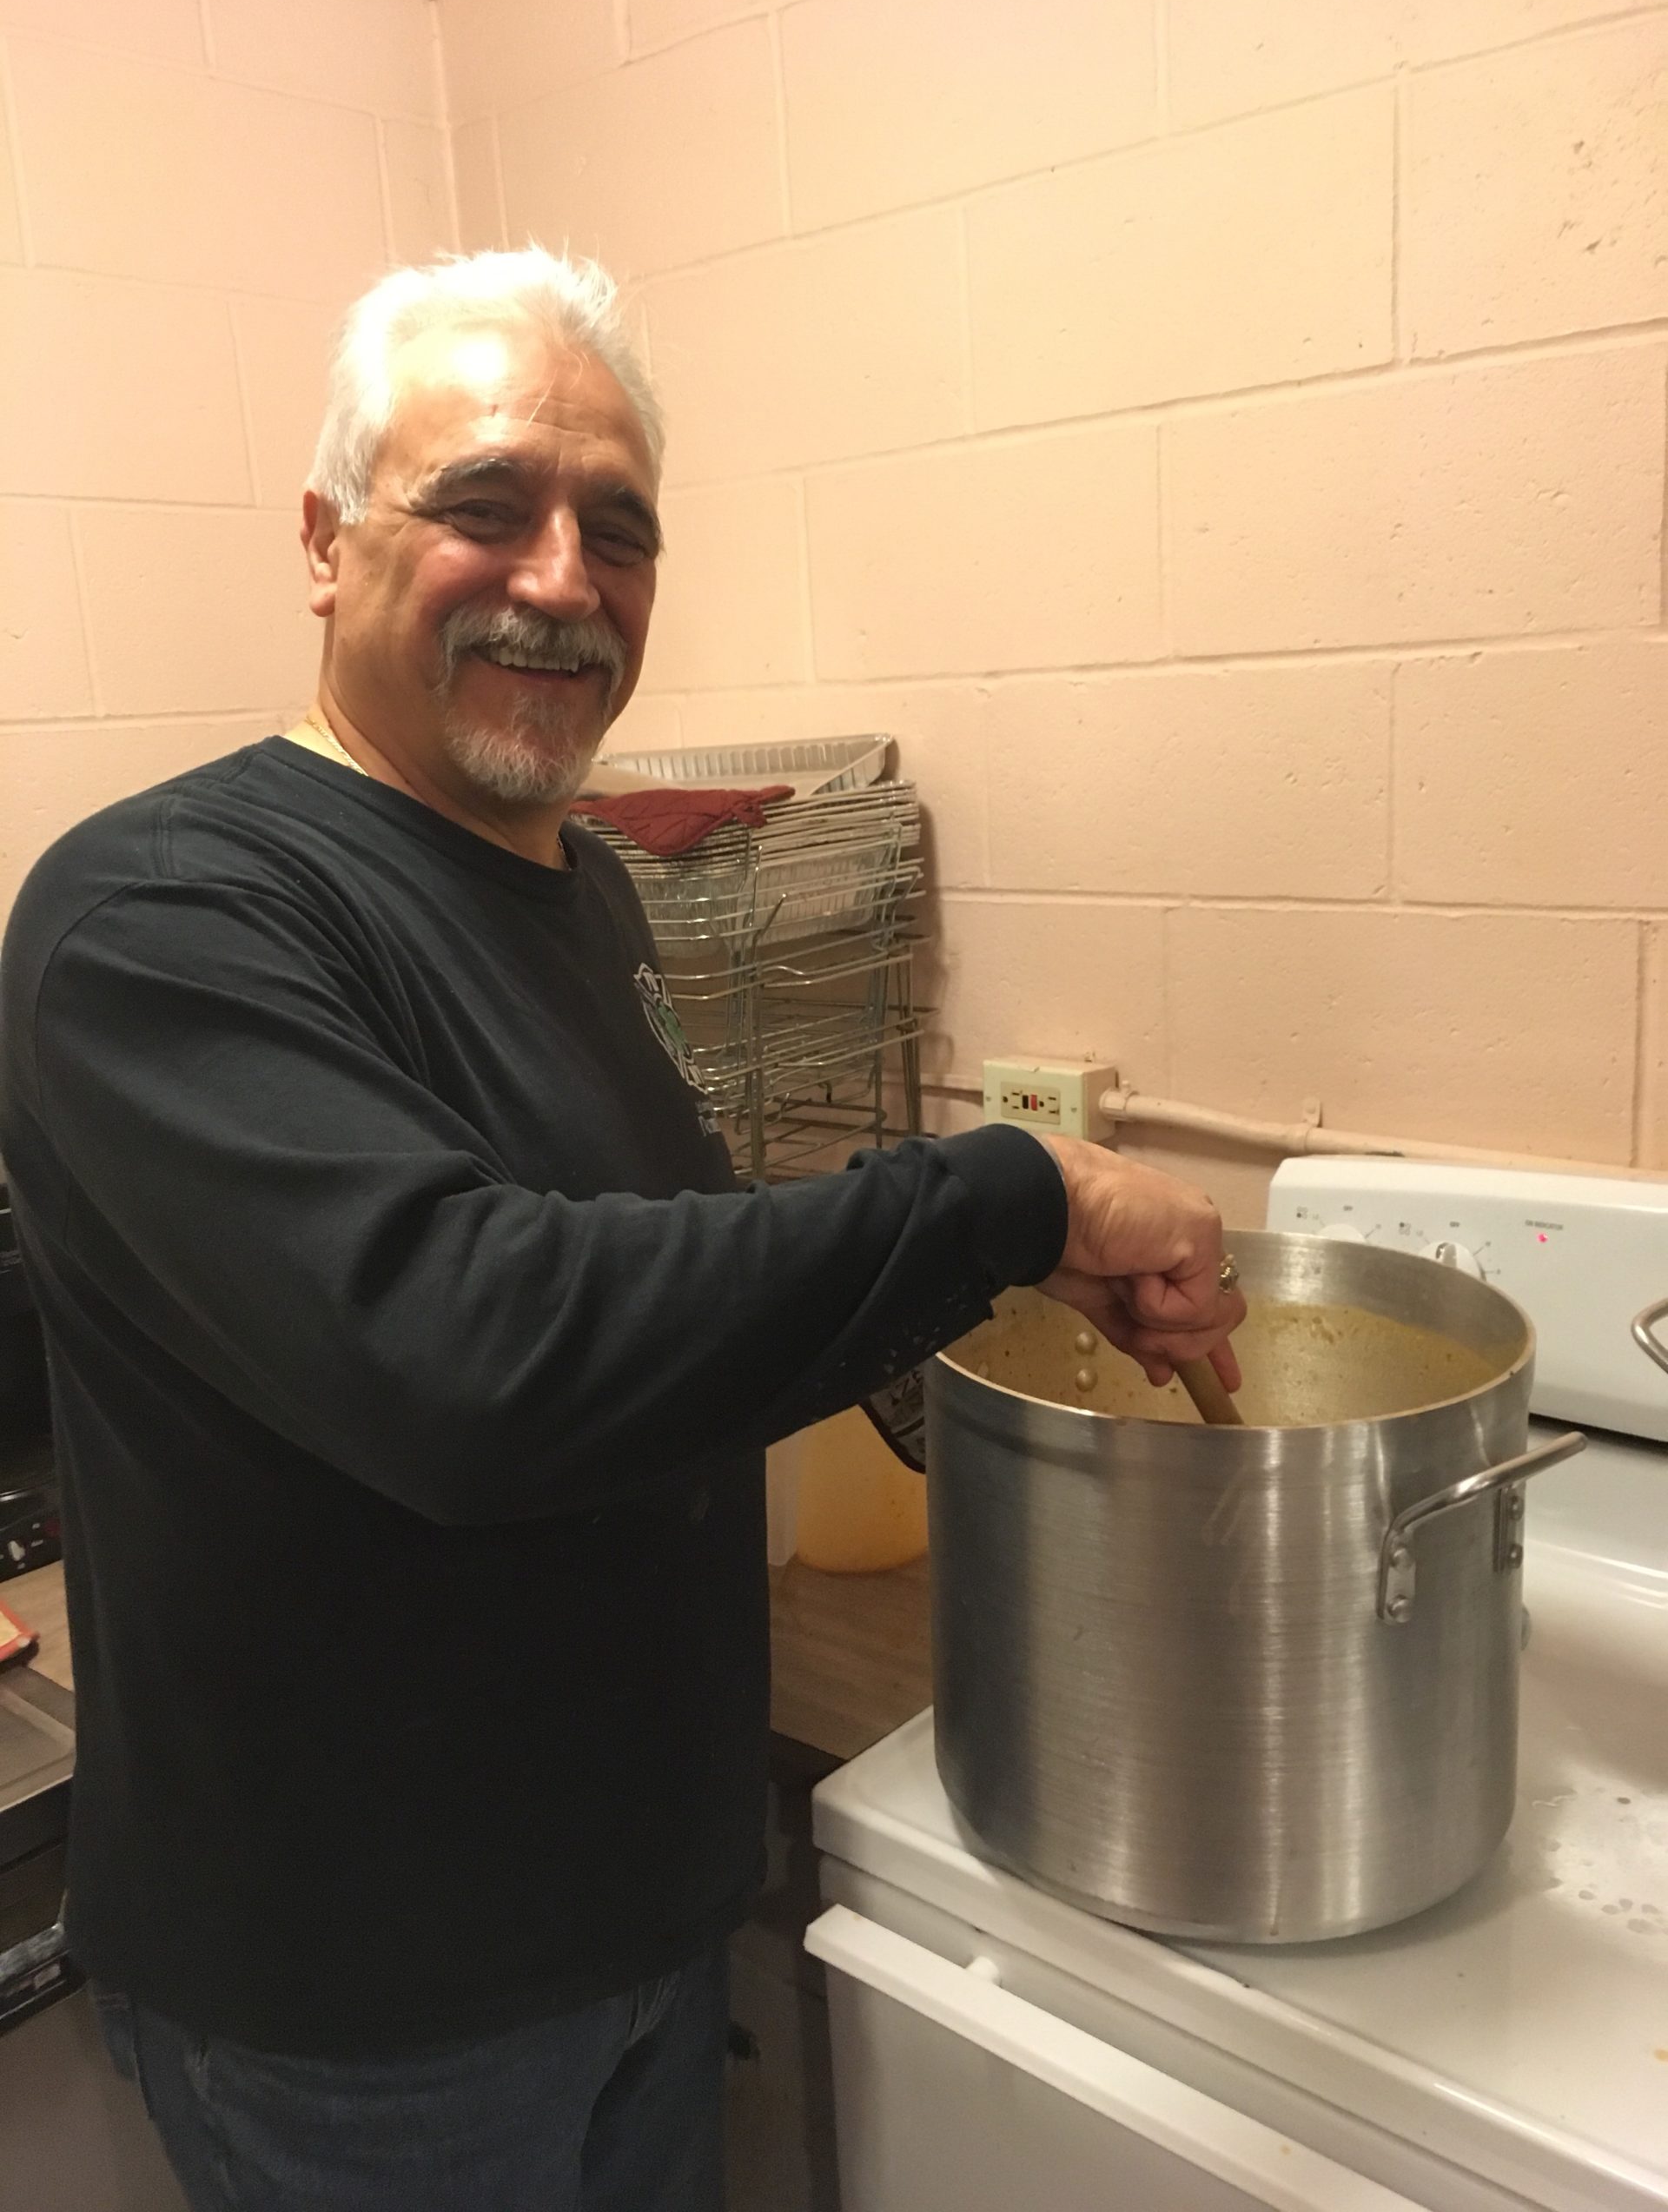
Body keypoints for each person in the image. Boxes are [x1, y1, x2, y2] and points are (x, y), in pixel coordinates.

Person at [0, 248, 1244, 2212]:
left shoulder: (581, 891)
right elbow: (473, 1355)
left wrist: (978, 1263)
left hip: (638, 1913)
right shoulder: (161, 913)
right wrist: (1023, 1189)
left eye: (619, 530)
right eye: (485, 506)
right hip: (370, 2017)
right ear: (326, 544)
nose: (563, 577)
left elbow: (644, 1276)